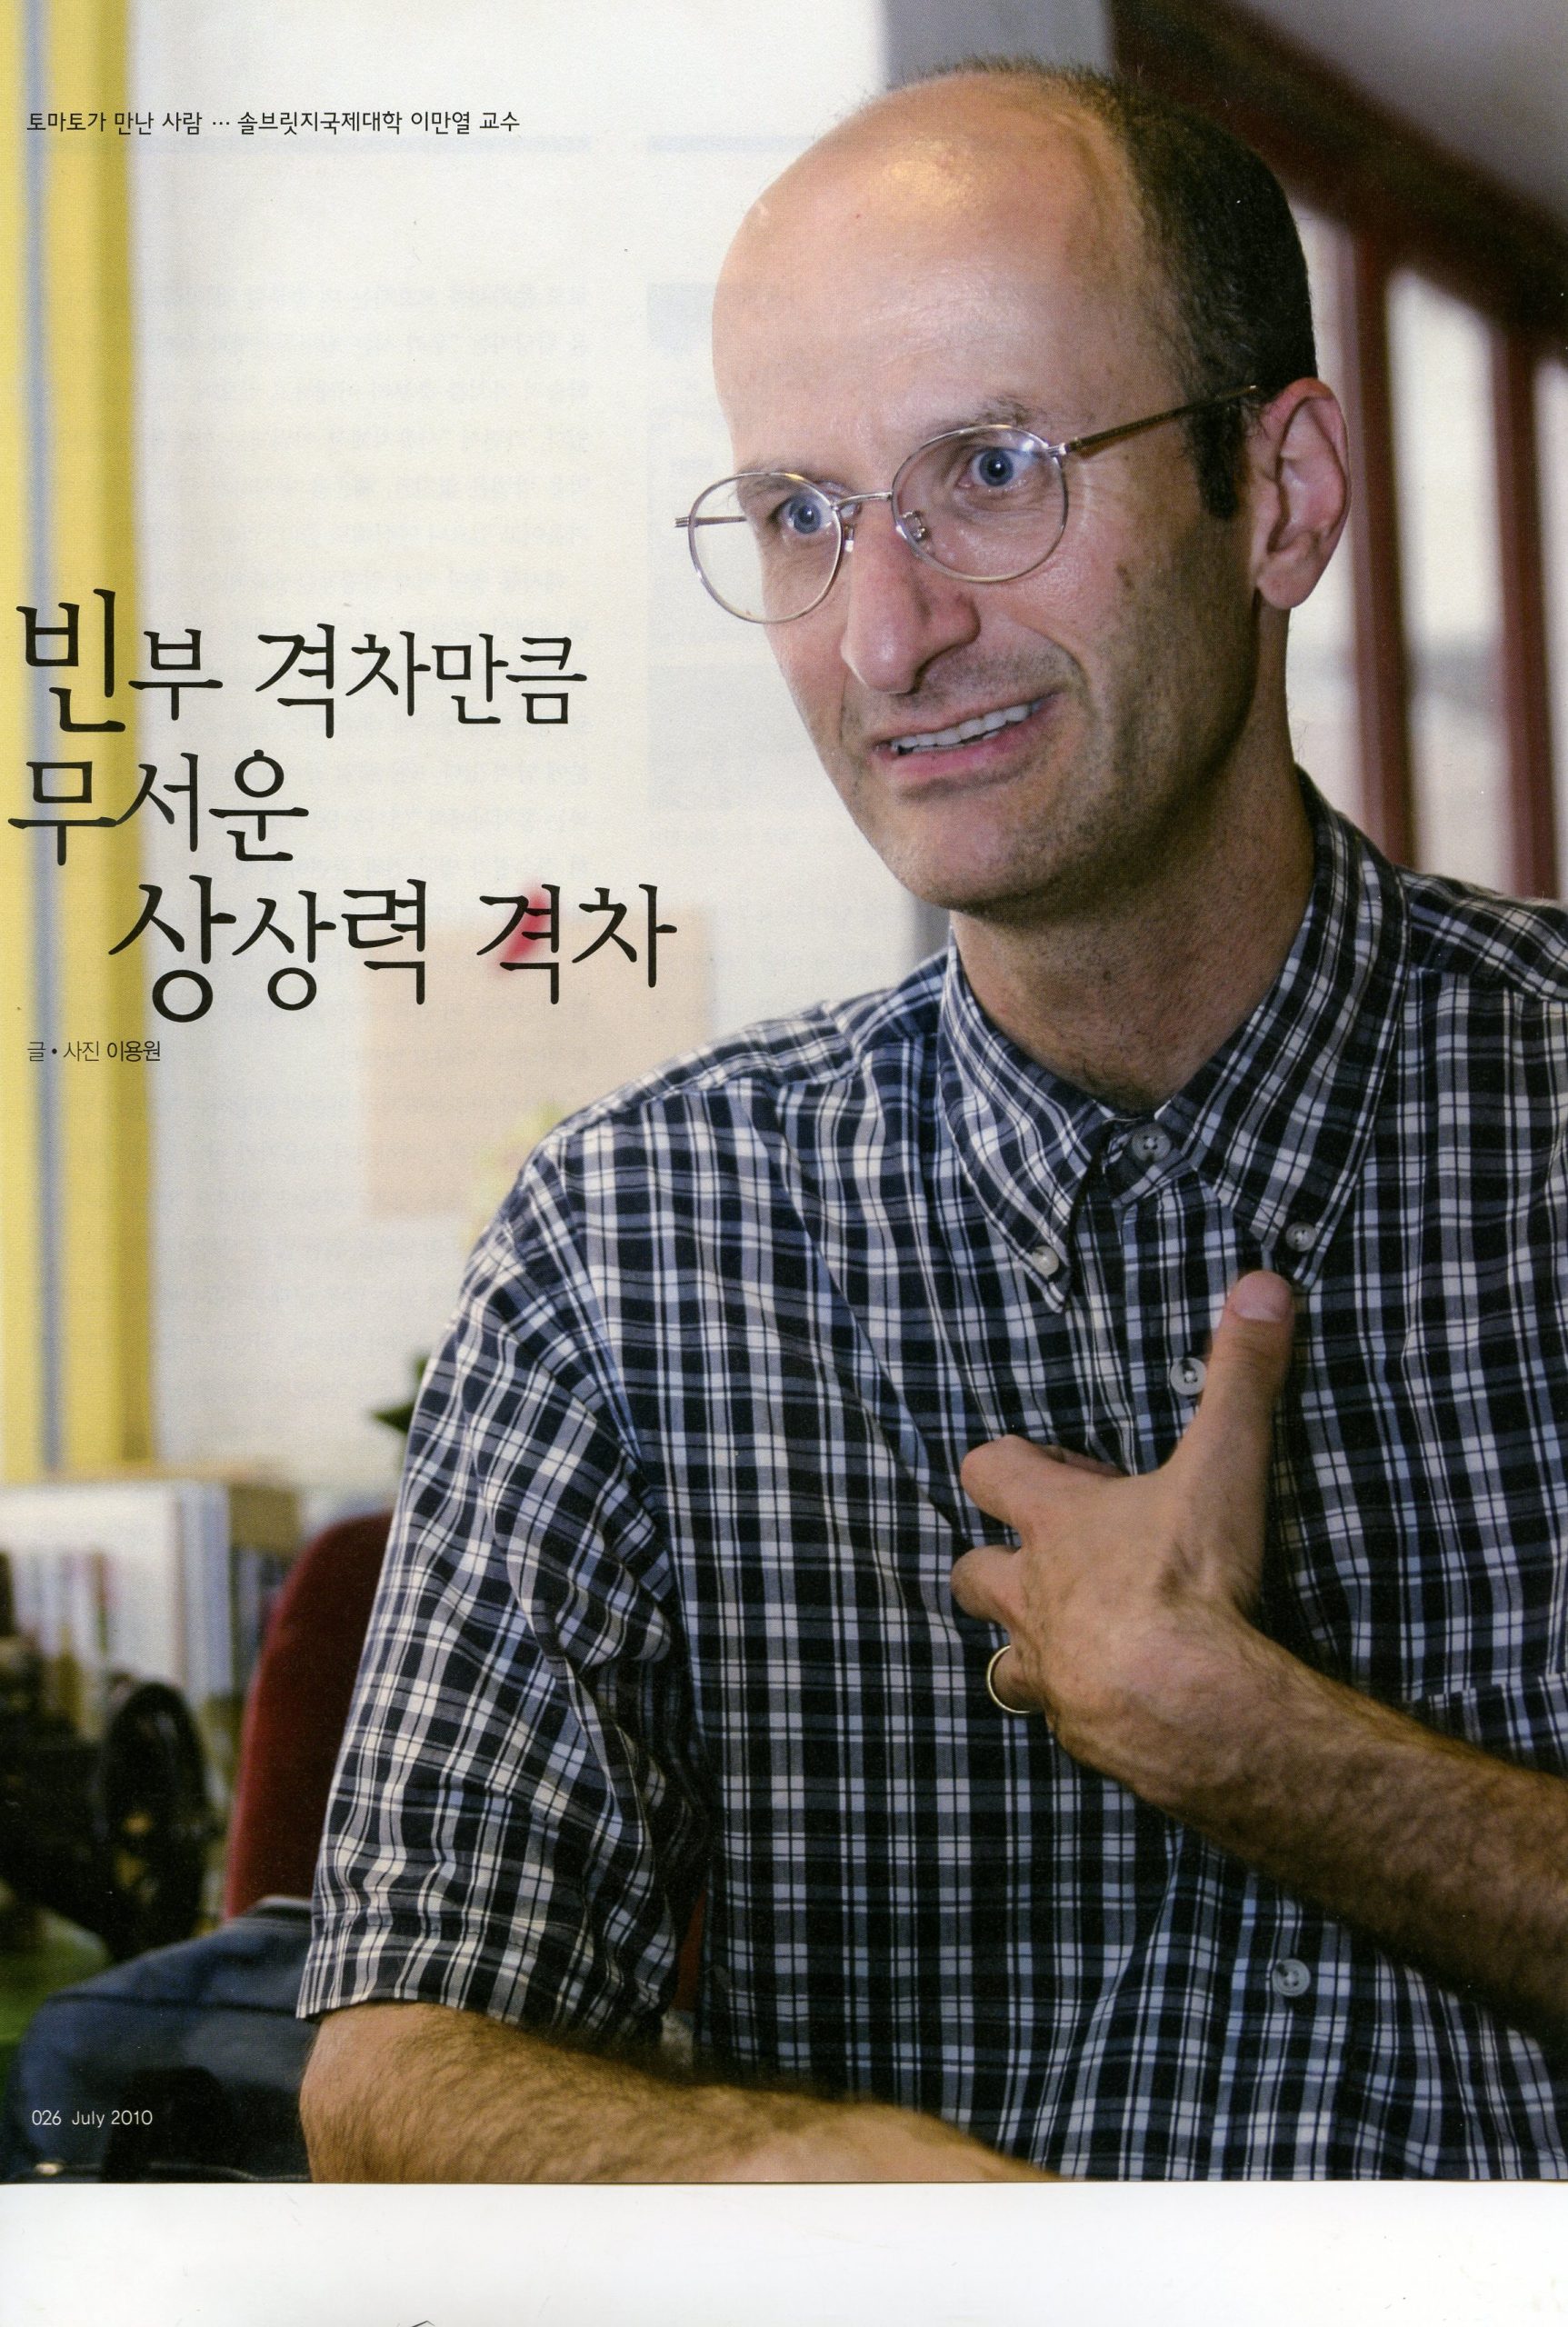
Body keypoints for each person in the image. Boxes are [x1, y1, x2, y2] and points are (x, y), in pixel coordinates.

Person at [297, 63, 1568, 2180]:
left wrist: (1258, 1742)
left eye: (989, 470)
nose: (883, 634)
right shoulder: (631, 1243)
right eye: (798, 514)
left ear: (1277, 494)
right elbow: (394, 2059)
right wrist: (767, 2185)